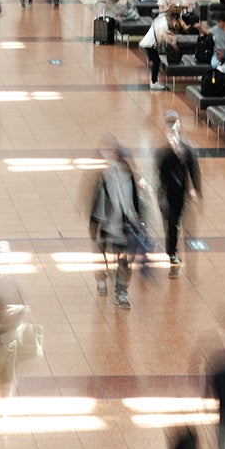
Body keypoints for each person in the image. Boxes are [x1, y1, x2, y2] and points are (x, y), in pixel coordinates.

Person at [88, 145, 146, 310]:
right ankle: (101, 279)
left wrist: (138, 219)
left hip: (124, 226)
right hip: (107, 224)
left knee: (124, 259)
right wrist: (94, 222)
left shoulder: (130, 178)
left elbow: (134, 201)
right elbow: (98, 201)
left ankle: (121, 292)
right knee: (101, 253)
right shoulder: (107, 177)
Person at [155, 112, 201, 271]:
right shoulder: (163, 151)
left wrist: (195, 189)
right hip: (166, 193)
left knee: (177, 221)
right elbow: (159, 170)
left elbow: (193, 169)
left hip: (180, 192)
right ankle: (171, 251)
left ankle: (173, 246)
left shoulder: (186, 148)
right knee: (172, 222)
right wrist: (172, 150)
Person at [140, 10, 176, 92]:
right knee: (156, 62)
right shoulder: (164, 23)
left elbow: (164, 32)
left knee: (155, 61)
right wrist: (173, 44)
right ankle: (154, 82)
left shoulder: (162, 18)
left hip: (148, 42)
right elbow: (163, 35)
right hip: (150, 44)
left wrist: (171, 35)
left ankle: (154, 81)